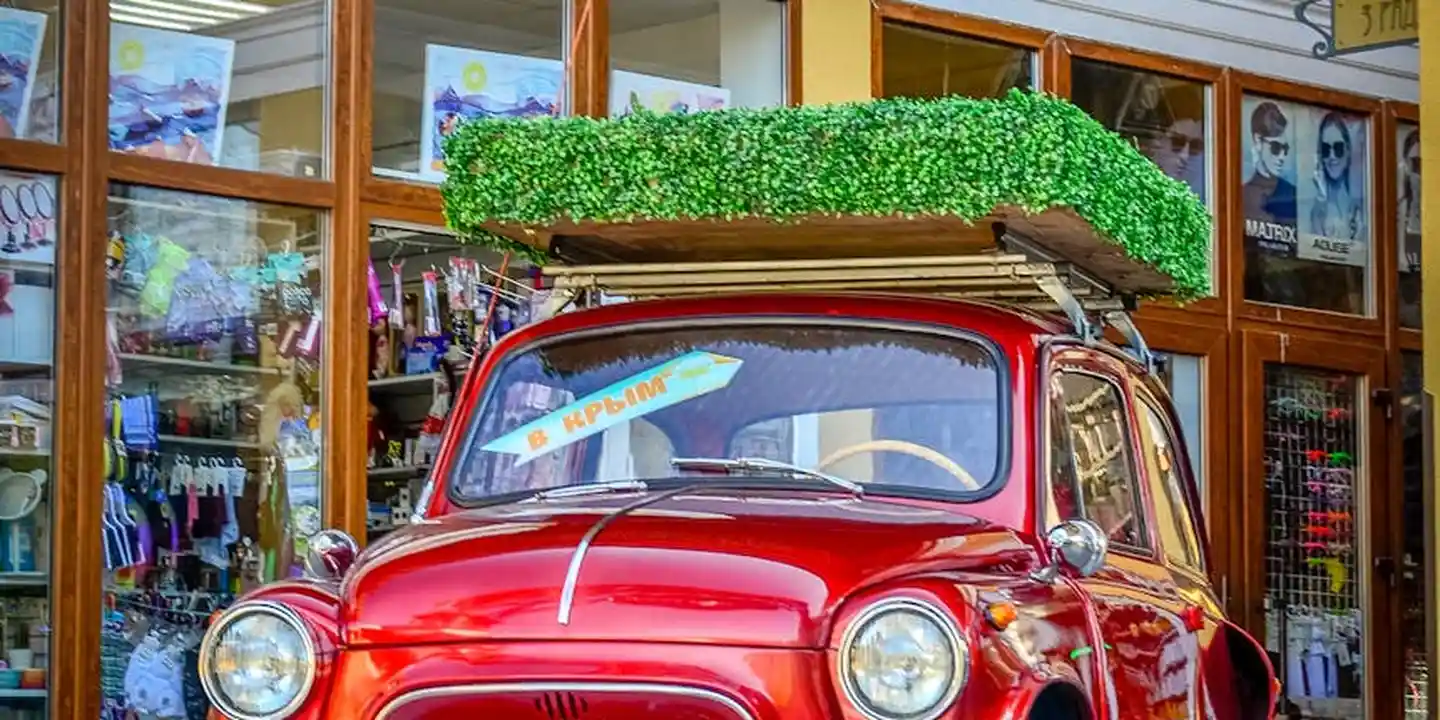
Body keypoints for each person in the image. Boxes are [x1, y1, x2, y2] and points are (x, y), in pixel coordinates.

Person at [1243, 101, 1298, 231]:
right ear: (1258, 140)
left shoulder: (1292, 195)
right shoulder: (1241, 196)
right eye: (1275, 148)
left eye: (1285, 149)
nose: (1282, 157)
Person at [1308, 112, 1361, 242]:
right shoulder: (1316, 202)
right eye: (1326, 149)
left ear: (1348, 151)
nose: (1332, 156)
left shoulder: (1358, 203)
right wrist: (1321, 196)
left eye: (1338, 148)